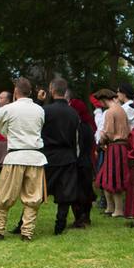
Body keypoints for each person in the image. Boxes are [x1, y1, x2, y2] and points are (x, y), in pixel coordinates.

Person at [0, 77, 47, 241]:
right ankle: (27, 233)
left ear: (16, 92)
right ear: (30, 92)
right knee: (33, 198)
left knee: (4, 196)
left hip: (16, 157)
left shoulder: (9, 109)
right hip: (35, 157)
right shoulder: (39, 110)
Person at [41, 78, 86, 235]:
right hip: (68, 156)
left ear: (52, 90)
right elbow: (76, 138)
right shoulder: (73, 113)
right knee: (65, 193)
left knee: (38, 192)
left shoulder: (46, 111)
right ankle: (60, 226)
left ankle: (24, 223)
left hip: (49, 156)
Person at [95, 90, 130, 217]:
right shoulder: (121, 110)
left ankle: (118, 209)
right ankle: (110, 207)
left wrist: (102, 139)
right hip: (121, 146)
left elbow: (108, 133)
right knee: (107, 176)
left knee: (114, 178)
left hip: (115, 147)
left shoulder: (110, 112)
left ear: (103, 100)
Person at [68, 96, 98, 228]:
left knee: (76, 192)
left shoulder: (77, 128)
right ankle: (87, 217)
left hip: (78, 163)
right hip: (87, 163)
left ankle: (79, 219)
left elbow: (77, 147)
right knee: (87, 191)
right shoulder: (89, 127)